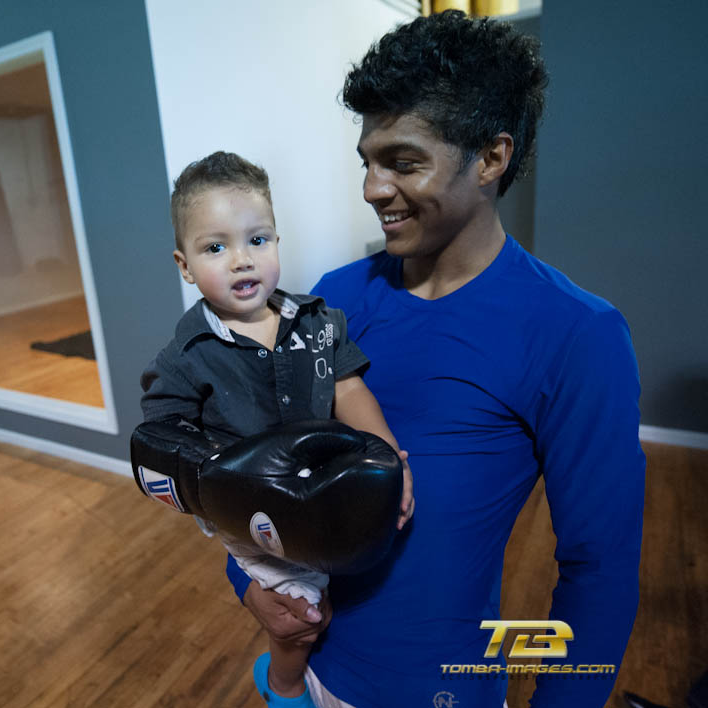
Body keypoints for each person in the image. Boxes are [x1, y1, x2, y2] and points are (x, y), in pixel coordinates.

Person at [228, 11, 645, 708]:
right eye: (367, 160)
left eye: (403, 161)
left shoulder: (578, 335)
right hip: (315, 672)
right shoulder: (332, 299)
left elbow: (598, 574)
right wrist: (252, 589)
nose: (371, 187)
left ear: (490, 157)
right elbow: (261, 470)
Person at [139, 151, 414, 707]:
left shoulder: (317, 321)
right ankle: (284, 684)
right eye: (216, 248)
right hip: (253, 515)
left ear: (277, 242)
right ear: (184, 265)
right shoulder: (185, 357)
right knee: (304, 618)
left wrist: (390, 459)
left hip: (322, 489)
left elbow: (351, 389)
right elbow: (162, 439)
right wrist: (218, 481)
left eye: (257, 240)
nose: (242, 260)